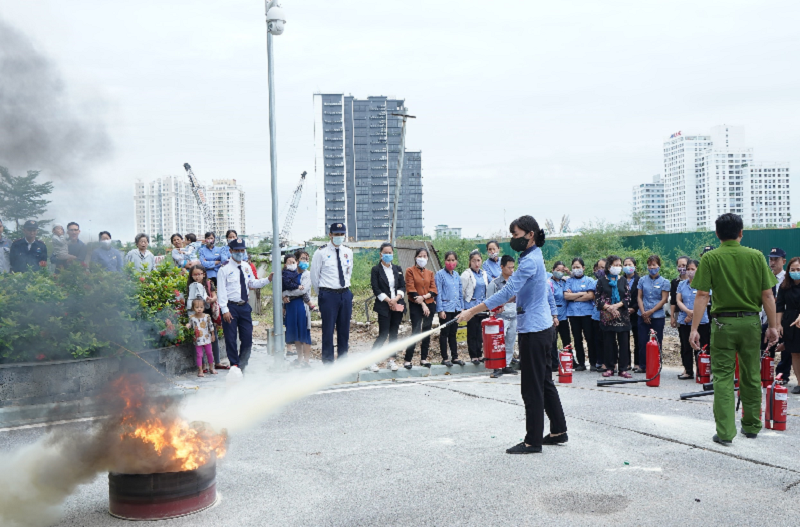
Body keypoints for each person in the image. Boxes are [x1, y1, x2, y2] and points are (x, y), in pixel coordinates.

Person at [457, 215, 567, 454]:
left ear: (530, 234)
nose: (512, 239)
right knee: (545, 382)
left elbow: (508, 289)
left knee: (531, 387)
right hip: (543, 328)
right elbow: (526, 291)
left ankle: (532, 441)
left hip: (535, 331)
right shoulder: (532, 256)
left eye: (515, 235)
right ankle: (558, 430)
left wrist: (473, 310)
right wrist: (510, 299)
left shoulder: (529, 261)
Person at [690, 213, 778, 444]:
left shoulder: (710, 258)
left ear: (717, 234)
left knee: (723, 377)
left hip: (723, 324)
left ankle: (726, 432)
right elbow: (767, 294)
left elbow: (701, 295)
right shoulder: (757, 256)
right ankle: (751, 426)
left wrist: (695, 328)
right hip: (750, 324)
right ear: (741, 233)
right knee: (751, 375)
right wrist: (774, 327)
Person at [218, 238, 273, 372]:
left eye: (242, 250)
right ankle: (234, 365)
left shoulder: (246, 267)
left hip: (244, 307)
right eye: (237, 250)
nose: (239, 252)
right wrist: (224, 310)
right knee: (231, 339)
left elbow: (252, 284)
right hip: (231, 307)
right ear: (231, 251)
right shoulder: (224, 269)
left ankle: (243, 364)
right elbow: (221, 291)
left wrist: (268, 280)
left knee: (247, 338)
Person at [310, 223, 354, 364]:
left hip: (345, 294)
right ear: (330, 235)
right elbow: (314, 276)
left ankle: (342, 360)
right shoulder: (321, 252)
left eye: (341, 234)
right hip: (328, 295)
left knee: (344, 329)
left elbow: (349, 272)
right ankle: (328, 362)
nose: (339, 237)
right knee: (328, 331)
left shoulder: (348, 252)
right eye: (336, 234)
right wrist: (322, 293)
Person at [368, 243, 406, 372]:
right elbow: (375, 288)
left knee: (394, 333)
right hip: (384, 306)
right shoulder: (376, 270)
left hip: (397, 305)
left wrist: (396, 299)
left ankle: (391, 360)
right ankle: (372, 361)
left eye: (390, 253)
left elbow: (402, 286)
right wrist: (388, 300)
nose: (388, 255)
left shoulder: (398, 269)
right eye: (386, 252)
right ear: (381, 254)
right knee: (383, 333)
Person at [595, 256, 632, 378]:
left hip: (622, 317)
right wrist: (609, 308)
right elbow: (597, 299)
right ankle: (610, 367)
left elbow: (627, 298)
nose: (618, 267)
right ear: (609, 266)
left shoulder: (623, 280)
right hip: (607, 317)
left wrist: (616, 306)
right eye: (615, 265)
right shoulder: (601, 281)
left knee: (624, 343)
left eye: (619, 265)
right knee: (608, 343)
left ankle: (623, 369)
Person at [186, 264, 227, 371]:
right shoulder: (191, 286)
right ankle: (203, 365)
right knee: (198, 338)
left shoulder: (209, 284)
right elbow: (189, 302)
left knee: (214, 338)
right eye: (194, 275)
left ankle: (216, 362)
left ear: (204, 274)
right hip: (196, 317)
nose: (197, 277)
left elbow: (214, 296)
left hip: (207, 314)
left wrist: (211, 299)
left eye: (199, 274)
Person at [486, 255, 521, 378]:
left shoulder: (516, 283)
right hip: (500, 318)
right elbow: (489, 302)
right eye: (509, 267)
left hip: (514, 316)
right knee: (497, 343)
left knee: (510, 342)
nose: (512, 270)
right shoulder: (494, 284)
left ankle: (506, 364)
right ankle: (496, 366)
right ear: (502, 267)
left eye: (513, 267)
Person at [404, 248, 437, 369]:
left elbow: (433, 290)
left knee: (426, 331)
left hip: (430, 304)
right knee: (416, 331)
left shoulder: (430, 273)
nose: (422, 258)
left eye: (425, 256)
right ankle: (408, 359)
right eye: (420, 256)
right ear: (415, 257)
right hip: (416, 305)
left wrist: (424, 298)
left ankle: (423, 358)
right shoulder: (410, 271)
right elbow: (411, 289)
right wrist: (423, 303)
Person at [676, 259, 709, 379]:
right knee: (685, 346)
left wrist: (693, 315)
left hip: (702, 321)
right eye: (688, 269)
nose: (690, 272)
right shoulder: (681, 284)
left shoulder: (704, 283)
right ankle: (688, 371)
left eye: (692, 269)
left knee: (702, 346)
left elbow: (705, 301)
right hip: (684, 321)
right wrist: (687, 312)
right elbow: (679, 300)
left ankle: (702, 371)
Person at [636, 255, 669, 374]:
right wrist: (644, 313)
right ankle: (643, 365)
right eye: (649, 265)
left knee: (657, 341)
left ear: (659, 266)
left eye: (654, 265)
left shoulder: (665, 282)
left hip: (657, 317)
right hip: (642, 315)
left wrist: (651, 312)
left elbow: (664, 299)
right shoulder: (642, 280)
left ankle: (656, 365)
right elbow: (639, 297)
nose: (651, 267)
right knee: (642, 341)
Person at [763, 248, 790, 383]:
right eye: (771, 259)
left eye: (776, 259)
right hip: (767, 318)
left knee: (785, 349)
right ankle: (766, 374)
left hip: (783, 318)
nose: (772, 262)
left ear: (783, 261)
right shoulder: (765, 276)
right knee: (766, 347)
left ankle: (782, 375)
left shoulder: (787, 278)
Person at [283, 250, 315, 368]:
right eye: (302, 259)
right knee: (296, 333)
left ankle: (306, 361)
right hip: (291, 306)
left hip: (302, 305)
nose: (305, 261)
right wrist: (284, 297)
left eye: (307, 259)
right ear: (296, 261)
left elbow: (302, 290)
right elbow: (282, 287)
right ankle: (300, 359)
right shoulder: (290, 273)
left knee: (305, 332)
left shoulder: (307, 274)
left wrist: (286, 294)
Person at [435, 251, 466, 367]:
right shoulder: (440, 274)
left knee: (453, 333)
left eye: (453, 260)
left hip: (456, 308)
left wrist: (462, 308)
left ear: (456, 261)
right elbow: (438, 293)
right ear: (445, 261)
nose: (451, 262)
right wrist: (440, 310)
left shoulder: (457, 275)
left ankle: (455, 356)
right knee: (445, 333)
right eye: (448, 260)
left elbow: (460, 292)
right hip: (446, 309)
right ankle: (445, 357)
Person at [564, 257, 595, 371]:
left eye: (578, 267)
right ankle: (581, 363)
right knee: (577, 339)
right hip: (573, 314)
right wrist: (582, 294)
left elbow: (591, 296)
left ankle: (593, 362)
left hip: (587, 314)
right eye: (574, 267)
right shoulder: (569, 281)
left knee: (589, 338)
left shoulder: (589, 280)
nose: (576, 269)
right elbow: (566, 296)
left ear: (583, 268)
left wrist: (574, 297)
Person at [462, 250, 490, 365]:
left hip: (482, 307)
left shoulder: (484, 274)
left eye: (478, 260)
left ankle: (480, 354)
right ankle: (473, 355)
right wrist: (463, 307)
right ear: (470, 262)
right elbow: (462, 292)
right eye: (474, 261)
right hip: (471, 307)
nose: (476, 263)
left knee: (480, 333)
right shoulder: (466, 274)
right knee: (472, 332)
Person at [776, 257, 800, 394]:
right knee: (795, 353)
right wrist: (778, 324)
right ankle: (799, 382)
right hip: (790, 322)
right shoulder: (785, 286)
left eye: (798, 270)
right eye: (793, 270)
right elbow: (779, 306)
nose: (796, 272)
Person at [185, 298, 218, 378]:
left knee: (209, 353)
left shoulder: (207, 316)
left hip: (206, 338)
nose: (199, 309)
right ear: (193, 308)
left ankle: (211, 367)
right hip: (197, 339)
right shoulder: (192, 317)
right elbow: (190, 324)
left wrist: (213, 335)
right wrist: (187, 326)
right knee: (199, 355)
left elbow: (211, 326)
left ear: (204, 307)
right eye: (197, 307)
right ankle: (200, 370)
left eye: (201, 307)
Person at [622, 257, 639, 371]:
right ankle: (626, 363)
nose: (628, 266)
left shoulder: (640, 280)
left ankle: (637, 363)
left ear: (635, 266)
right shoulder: (620, 280)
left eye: (630, 264)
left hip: (636, 313)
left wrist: (634, 308)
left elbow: (641, 296)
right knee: (624, 339)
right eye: (626, 264)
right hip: (622, 312)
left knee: (638, 339)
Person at [590, 258, 607, 371]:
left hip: (608, 315)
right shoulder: (595, 282)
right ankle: (599, 362)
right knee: (598, 339)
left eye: (603, 267)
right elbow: (593, 297)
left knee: (608, 340)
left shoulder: (611, 281)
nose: (601, 270)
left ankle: (609, 362)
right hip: (596, 315)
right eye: (599, 268)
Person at [670, 256, 690, 330]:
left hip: (693, 312)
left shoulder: (695, 281)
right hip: (679, 313)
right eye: (679, 266)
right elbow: (673, 301)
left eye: (684, 265)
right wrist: (672, 317)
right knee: (683, 336)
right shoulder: (675, 282)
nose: (681, 267)